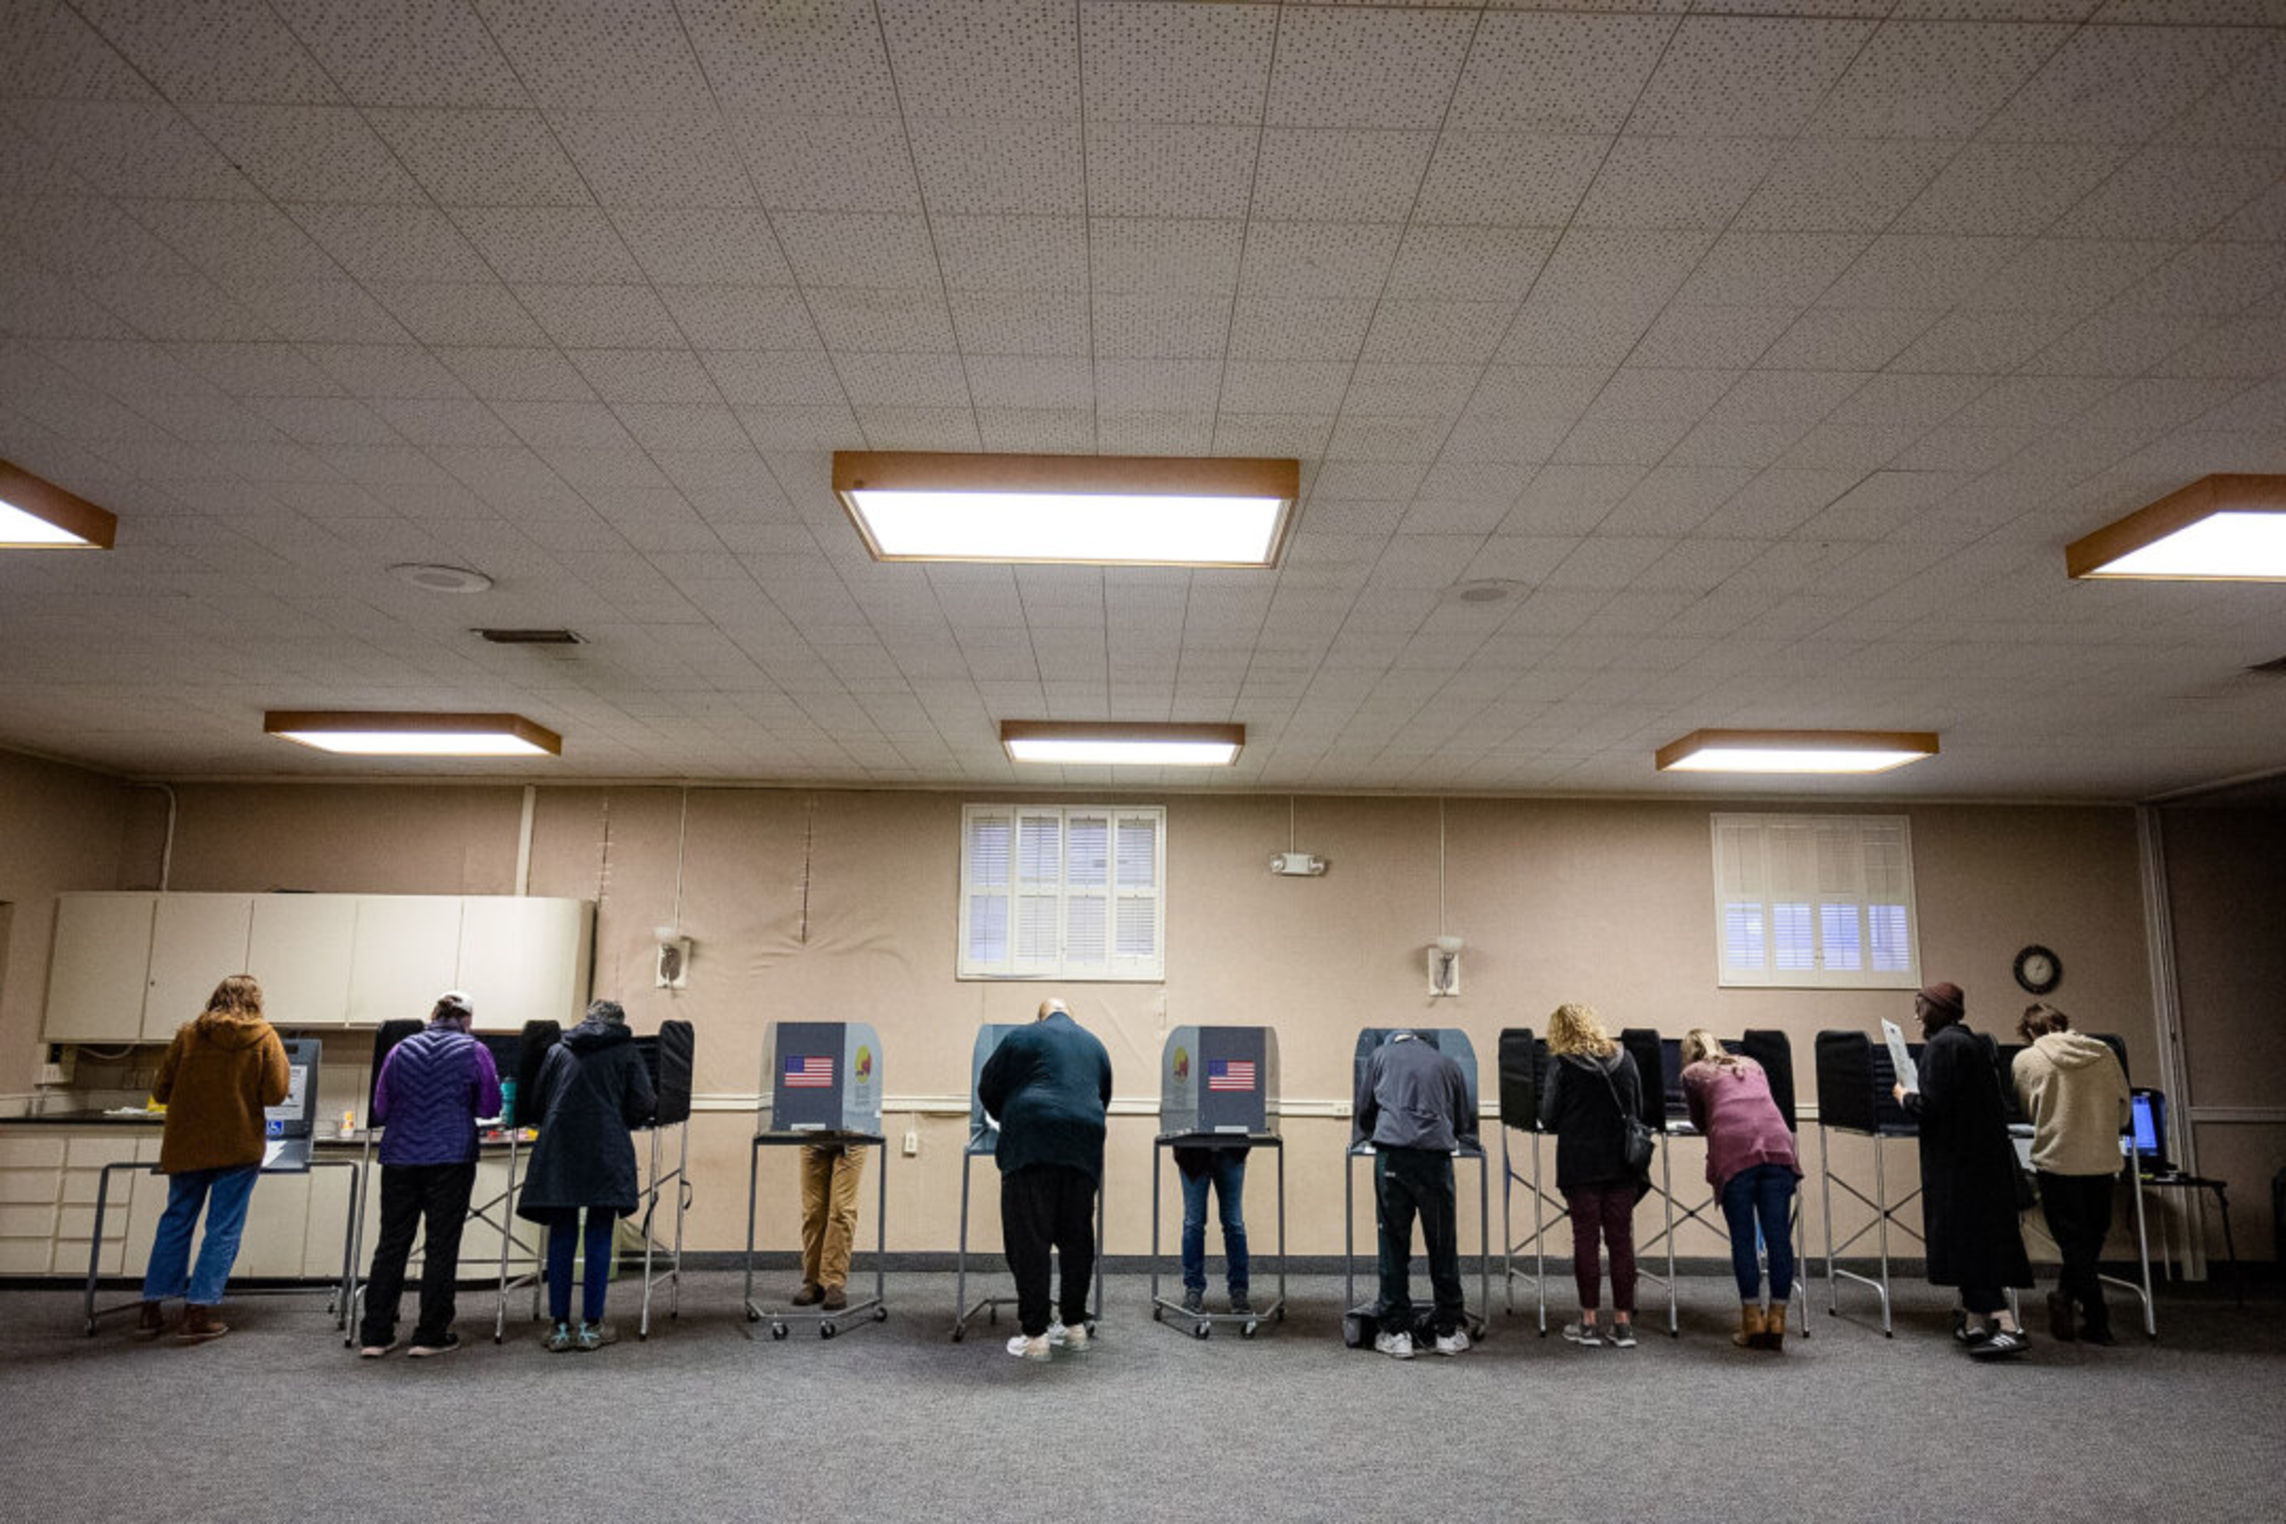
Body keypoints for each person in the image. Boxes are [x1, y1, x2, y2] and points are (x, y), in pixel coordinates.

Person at [135, 974, 290, 1344]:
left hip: (186, 1144)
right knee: (223, 1228)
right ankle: (198, 1312)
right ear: (255, 1001)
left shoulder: (187, 1035)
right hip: (238, 1146)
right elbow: (275, 1093)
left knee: (176, 1221)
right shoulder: (264, 1036)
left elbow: (161, 1090)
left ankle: (151, 1309)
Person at [357, 990, 501, 1359]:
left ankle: (375, 1334)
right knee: (441, 1244)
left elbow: (381, 1108)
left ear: (432, 1014)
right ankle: (431, 1334)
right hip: (451, 1157)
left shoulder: (400, 1050)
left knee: (392, 1243)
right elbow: (489, 1106)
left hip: (400, 1157)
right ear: (467, 1020)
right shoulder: (475, 1051)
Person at [1893, 981, 2034, 1359]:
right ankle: (1975, 1323)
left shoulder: (1942, 1047)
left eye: (1920, 1010)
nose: (1916, 1017)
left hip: (1958, 1167)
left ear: (1932, 1012)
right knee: (1977, 1243)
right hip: (1983, 1163)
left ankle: (2007, 1324)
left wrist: (1905, 1097)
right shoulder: (1971, 1043)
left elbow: (1932, 1108)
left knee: (1967, 1246)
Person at [977, 997, 1112, 1361]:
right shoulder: (1096, 1045)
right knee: (1076, 1239)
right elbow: (1102, 1097)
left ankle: (1035, 1335)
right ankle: (1074, 1327)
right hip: (1082, 1147)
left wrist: (1010, 1115)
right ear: (1072, 1016)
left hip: (1031, 1144)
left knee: (1029, 1240)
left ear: (1040, 1017)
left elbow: (987, 1088)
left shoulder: (1021, 1037)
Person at [516, 998, 654, 1353]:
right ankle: (592, 1326)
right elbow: (642, 1104)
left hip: (560, 1149)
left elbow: (538, 1101)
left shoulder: (558, 1050)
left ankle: (559, 1327)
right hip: (606, 1148)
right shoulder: (626, 1051)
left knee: (562, 1233)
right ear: (619, 1022)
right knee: (599, 1233)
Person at [2012, 1002, 2132, 1344]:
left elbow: (2026, 1109)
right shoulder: (2105, 1053)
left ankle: (2094, 1315)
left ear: (2029, 1031)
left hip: (2058, 1161)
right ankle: (2071, 1302)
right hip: (2102, 1159)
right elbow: (2123, 1109)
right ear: (2065, 1024)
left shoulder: (2027, 1059)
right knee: (2091, 1238)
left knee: (2073, 1242)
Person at [1354, 1029, 1474, 1359]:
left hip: (1393, 1156)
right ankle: (1447, 1331)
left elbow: (1365, 1109)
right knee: (1442, 1243)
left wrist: (1371, 1133)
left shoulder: (1379, 1057)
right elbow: (1462, 1120)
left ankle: (1397, 1332)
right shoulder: (1448, 1063)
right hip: (1436, 1160)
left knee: (1393, 1244)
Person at [1680, 1028, 1802, 1352]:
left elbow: (1700, 1122)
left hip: (1735, 1153)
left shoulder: (1693, 1073)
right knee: (1778, 1238)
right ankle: (1777, 1319)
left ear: (1688, 1055)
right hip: (1777, 1145)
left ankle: (1752, 1321)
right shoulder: (1752, 1063)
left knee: (1744, 1239)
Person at [1539, 1002, 1646, 1349]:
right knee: (1621, 1240)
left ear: (1560, 1031)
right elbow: (1638, 1108)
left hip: (1580, 1162)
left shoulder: (1561, 1064)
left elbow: (1549, 1117)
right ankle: (1623, 1325)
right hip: (1622, 1162)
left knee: (1585, 1240)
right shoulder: (1625, 1058)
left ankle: (1588, 1323)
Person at [1173, 1142, 1249, 1316]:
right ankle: (1193, 1289)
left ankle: (1239, 1291)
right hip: (1193, 1154)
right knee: (1194, 1224)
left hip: (1230, 1151)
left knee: (1233, 1224)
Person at [791, 1140, 866, 1311]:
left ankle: (833, 1283)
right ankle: (813, 1282)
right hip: (814, 1138)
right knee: (813, 1213)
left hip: (852, 1139)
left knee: (841, 1211)